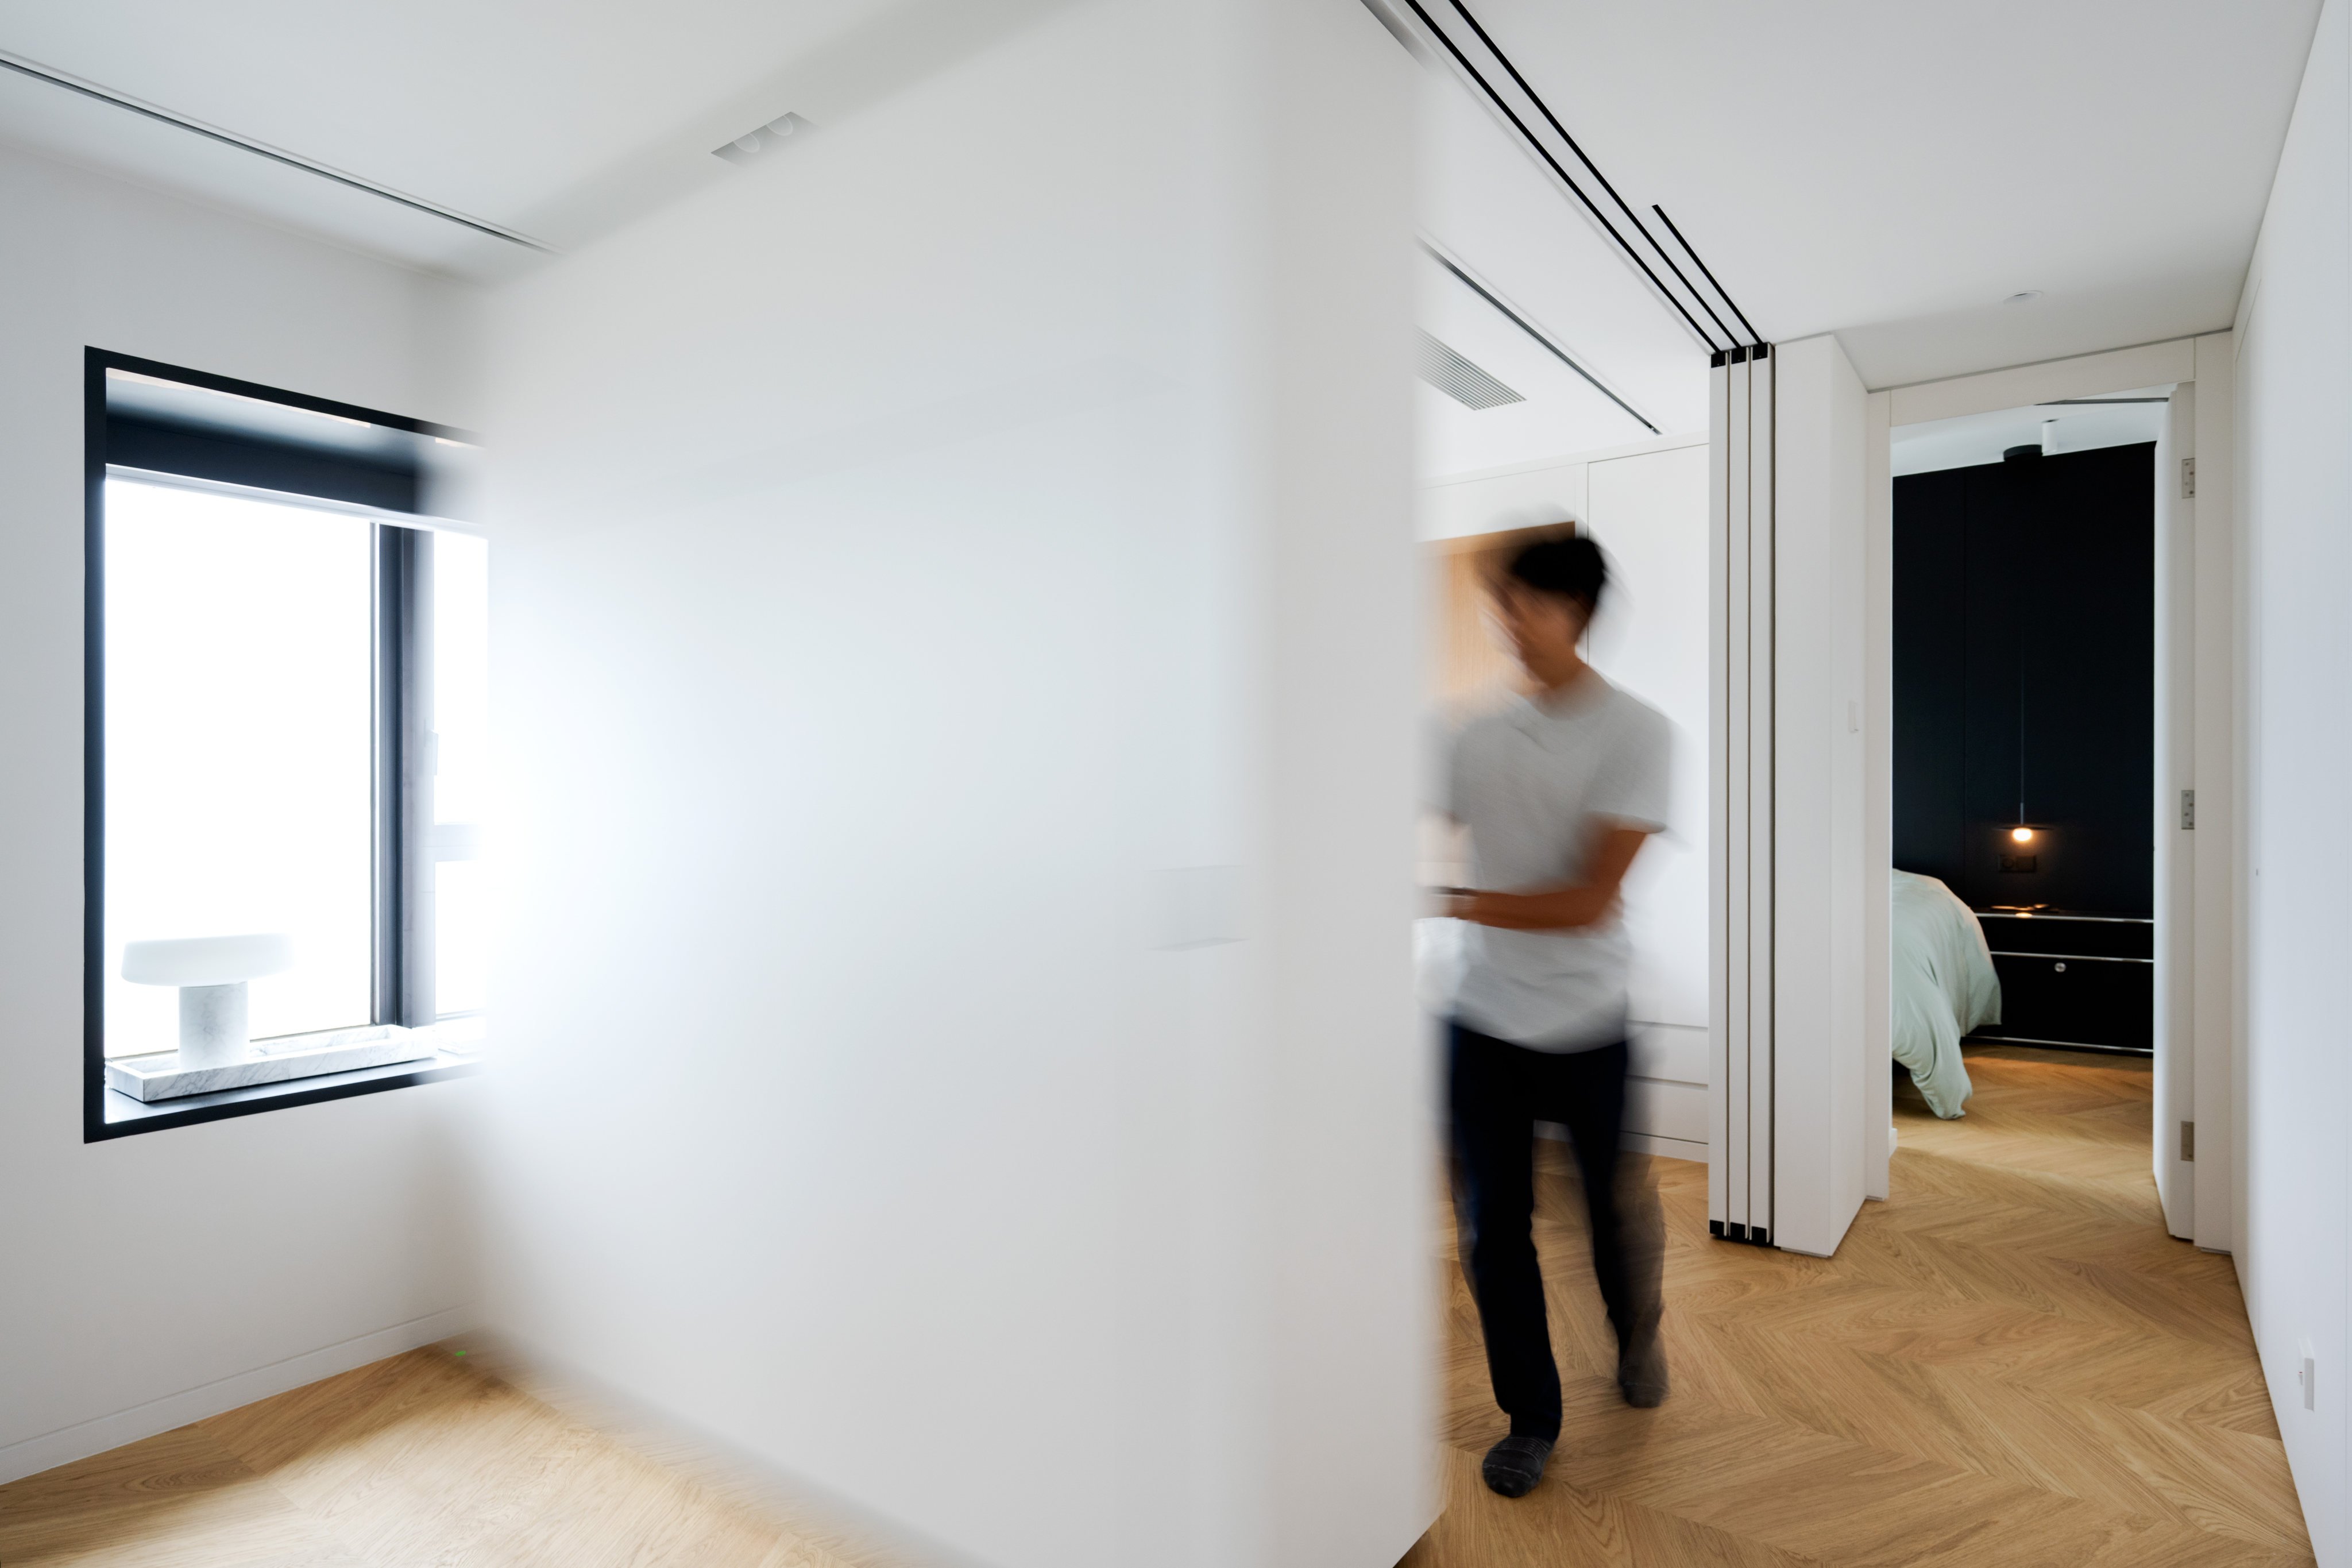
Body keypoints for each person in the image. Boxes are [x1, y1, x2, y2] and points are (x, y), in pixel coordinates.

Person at [1432, 531, 1670, 1500]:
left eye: (1522, 606)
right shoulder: (1470, 732)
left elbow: (1586, 902)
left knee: (1612, 1212)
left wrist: (1447, 900)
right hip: (1481, 1019)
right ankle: (1531, 1416)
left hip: (1589, 1023)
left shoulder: (1637, 733)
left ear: (1574, 612)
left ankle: (1636, 1331)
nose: (1505, 625)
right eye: (1499, 607)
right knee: (1495, 1230)